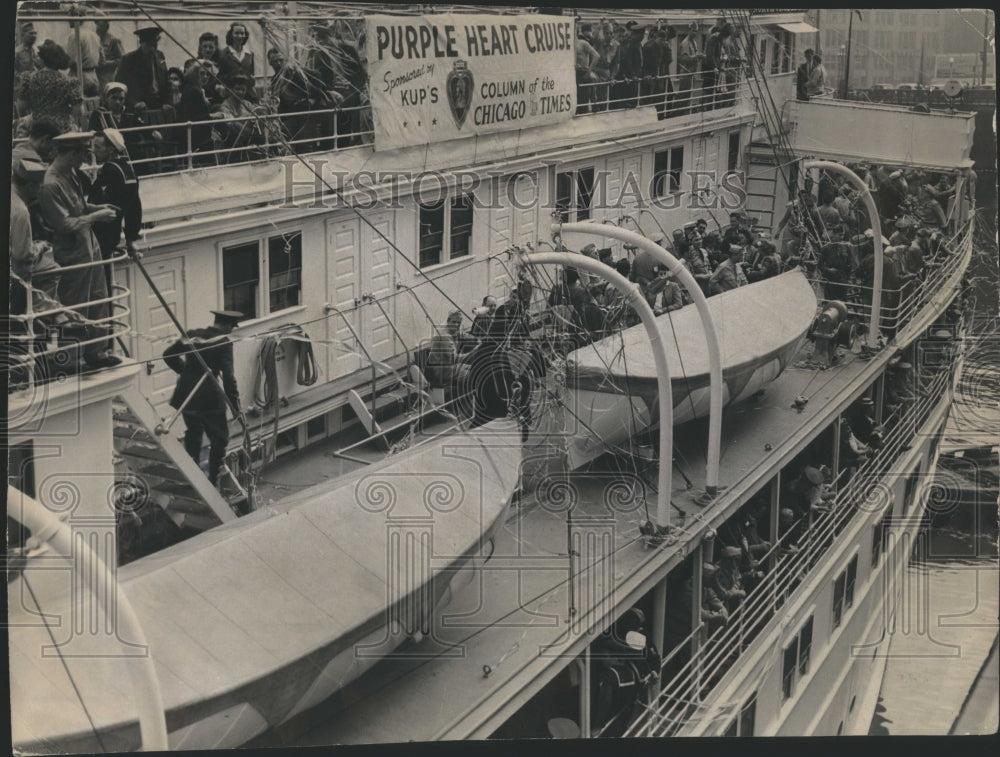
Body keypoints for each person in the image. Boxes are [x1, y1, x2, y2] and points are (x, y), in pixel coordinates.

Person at [37, 131, 122, 370]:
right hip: (72, 253)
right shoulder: (50, 184)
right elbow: (64, 224)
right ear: (73, 153)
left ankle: (96, 352)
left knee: (98, 299)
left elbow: (79, 208)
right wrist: (96, 216)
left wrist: (98, 207)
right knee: (75, 305)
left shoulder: (70, 174)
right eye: (84, 154)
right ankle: (70, 359)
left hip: (89, 247)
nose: (86, 160)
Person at [163, 310, 245, 486]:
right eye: (232, 327)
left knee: (193, 433)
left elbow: (167, 355)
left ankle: (191, 475)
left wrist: (185, 372)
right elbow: (229, 378)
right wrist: (235, 406)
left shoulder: (193, 335)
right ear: (228, 325)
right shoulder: (223, 342)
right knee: (220, 438)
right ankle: (213, 479)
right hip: (209, 397)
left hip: (186, 395)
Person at [88, 128, 143, 291]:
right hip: (113, 235)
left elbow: (98, 201)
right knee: (105, 283)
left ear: (111, 149)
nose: (94, 151)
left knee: (98, 285)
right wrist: (131, 238)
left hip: (99, 237)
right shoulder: (128, 170)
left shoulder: (109, 171)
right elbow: (134, 207)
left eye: (98, 147)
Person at [18, 40, 84, 134]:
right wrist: (62, 110)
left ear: (42, 59)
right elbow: (78, 112)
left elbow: (21, 107)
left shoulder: (28, 79)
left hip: (38, 131)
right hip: (62, 130)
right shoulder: (71, 81)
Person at [12, 116, 61, 238]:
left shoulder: (18, 150)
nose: (52, 150)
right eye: (52, 145)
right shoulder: (32, 161)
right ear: (45, 140)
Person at [115, 27, 169, 111]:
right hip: (140, 106)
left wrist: (167, 102)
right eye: (149, 45)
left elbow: (166, 80)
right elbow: (120, 86)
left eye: (155, 45)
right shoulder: (129, 60)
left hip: (159, 105)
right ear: (141, 43)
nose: (152, 49)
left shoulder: (160, 56)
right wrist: (134, 103)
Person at [65, 18, 103, 97]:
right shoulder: (94, 35)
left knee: (76, 105)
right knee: (93, 105)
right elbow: (102, 59)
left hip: (79, 76)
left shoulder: (75, 35)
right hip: (93, 76)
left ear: (75, 18)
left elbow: (71, 61)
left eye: (70, 17)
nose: (68, 20)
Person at [575, 24, 601, 113]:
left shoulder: (582, 43)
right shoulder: (568, 44)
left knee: (583, 100)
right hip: (573, 74)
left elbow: (596, 56)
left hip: (583, 73)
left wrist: (589, 72)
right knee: (575, 100)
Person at [676, 23, 702, 113]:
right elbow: (683, 58)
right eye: (693, 30)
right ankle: (680, 114)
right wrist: (696, 57)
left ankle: (686, 113)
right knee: (683, 96)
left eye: (696, 31)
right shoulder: (685, 43)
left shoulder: (694, 42)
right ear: (689, 30)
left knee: (689, 96)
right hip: (685, 74)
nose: (695, 33)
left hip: (692, 74)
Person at [96, 19, 124, 88]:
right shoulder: (96, 38)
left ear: (107, 27)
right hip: (97, 75)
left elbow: (122, 60)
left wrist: (107, 63)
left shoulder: (113, 40)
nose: (98, 28)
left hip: (108, 75)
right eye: (97, 26)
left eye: (101, 26)